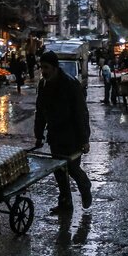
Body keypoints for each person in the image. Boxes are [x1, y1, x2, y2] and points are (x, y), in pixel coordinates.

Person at [34, 51, 92, 214]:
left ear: (54, 67)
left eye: (46, 67)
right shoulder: (43, 84)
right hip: (55, 135)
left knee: (72, 168)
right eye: (41, 67)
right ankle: (65, 204)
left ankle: (85, 185)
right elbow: (40, 111)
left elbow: (81, 113)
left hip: (72, 136)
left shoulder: (70, 84)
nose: (43, 71)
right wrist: (39, 135)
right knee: (59, 172)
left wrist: (84, 139)